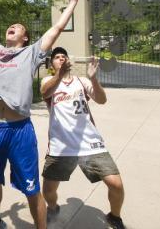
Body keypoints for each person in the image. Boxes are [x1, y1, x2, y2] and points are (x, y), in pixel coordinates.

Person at [0, 0, 87, 229]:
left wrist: (72, 2)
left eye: (18, 27)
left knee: (30, 186)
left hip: (19, 130)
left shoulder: (32, 52)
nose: (12, 27)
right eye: (10, 26)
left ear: (25, 38)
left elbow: (56, 28)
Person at [40, 47, 125, 229]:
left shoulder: (82, 81)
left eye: (64, 56)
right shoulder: (49, 80)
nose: (61, 59)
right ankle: (53, 208)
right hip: (61, 146)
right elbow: (45, 92)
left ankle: (114, 216)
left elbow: (102, 100)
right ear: (51, 64)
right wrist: (59, 74)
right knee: (48, 191)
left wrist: (94, 79)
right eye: (57, 58)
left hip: (90, 143)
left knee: (116, 185)